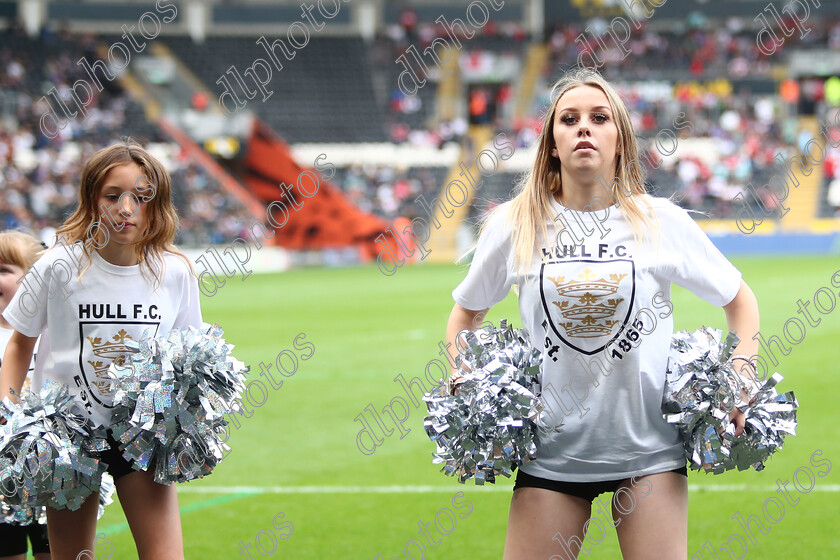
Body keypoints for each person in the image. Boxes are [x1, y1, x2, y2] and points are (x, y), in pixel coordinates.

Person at [445, 68, 761, 560]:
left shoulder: (662, 221)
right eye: (569, 120)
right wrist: (463, 376)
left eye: (599, 118)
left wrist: (741, 372)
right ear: (552, 142)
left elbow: (740, 301)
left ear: (620, 140)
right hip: (552, 454)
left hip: (649, 453)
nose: (584, 128)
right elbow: (465, 314)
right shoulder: (516, 224)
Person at [0, 140, 202, 560]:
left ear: (157, 203)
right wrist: (8, 415)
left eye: (140, 196)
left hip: (142, 434)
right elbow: (20, 343)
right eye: (113, 196)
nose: (126, 208)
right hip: (67, 438)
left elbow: (188, 354)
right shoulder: (58, 265)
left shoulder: (175, 271)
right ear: (92, 199)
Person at [0, 231, 50, 560]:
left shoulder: (52, 332)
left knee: (59, 548)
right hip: (3, 474)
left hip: (50, 466)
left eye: (4, 270)